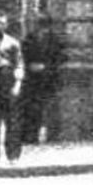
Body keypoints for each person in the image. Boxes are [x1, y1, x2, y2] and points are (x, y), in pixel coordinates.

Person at [18, 12, 65, 145]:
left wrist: (46, 67)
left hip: (50, 79)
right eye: (37, 25)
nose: (39, 28)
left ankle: (53, 138)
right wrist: (29, 66)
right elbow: (22, 55)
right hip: (32, 80)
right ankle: (30, 138)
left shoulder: (55, 40)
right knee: (32, 110)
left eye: (42, 24)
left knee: (51, 109)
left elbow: (60, 58)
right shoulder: (29, 38)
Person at [0, 11, 24, 164]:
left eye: (1, 23)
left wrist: (17, 85)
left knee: (12, 121)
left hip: (6, 83)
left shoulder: (13, 43)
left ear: (6, 25)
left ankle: (13, 156)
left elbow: (19, 65)